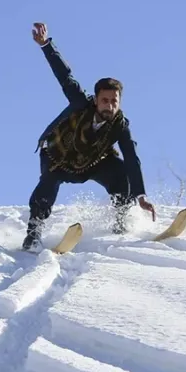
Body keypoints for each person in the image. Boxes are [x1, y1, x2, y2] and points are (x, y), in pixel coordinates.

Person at [23, 22, 155, 251]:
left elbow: (132, 157)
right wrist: (46, 45)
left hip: (92, 162)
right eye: (105, 100)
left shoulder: (121, 125)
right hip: (58, 157)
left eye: (114, 101)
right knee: (48, 183)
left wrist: (140, 195)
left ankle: (122, 219)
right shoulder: (80, 103)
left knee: (121, 171)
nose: (110, 106)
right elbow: (65, 76)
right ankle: (34, 231)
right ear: (96, 100)